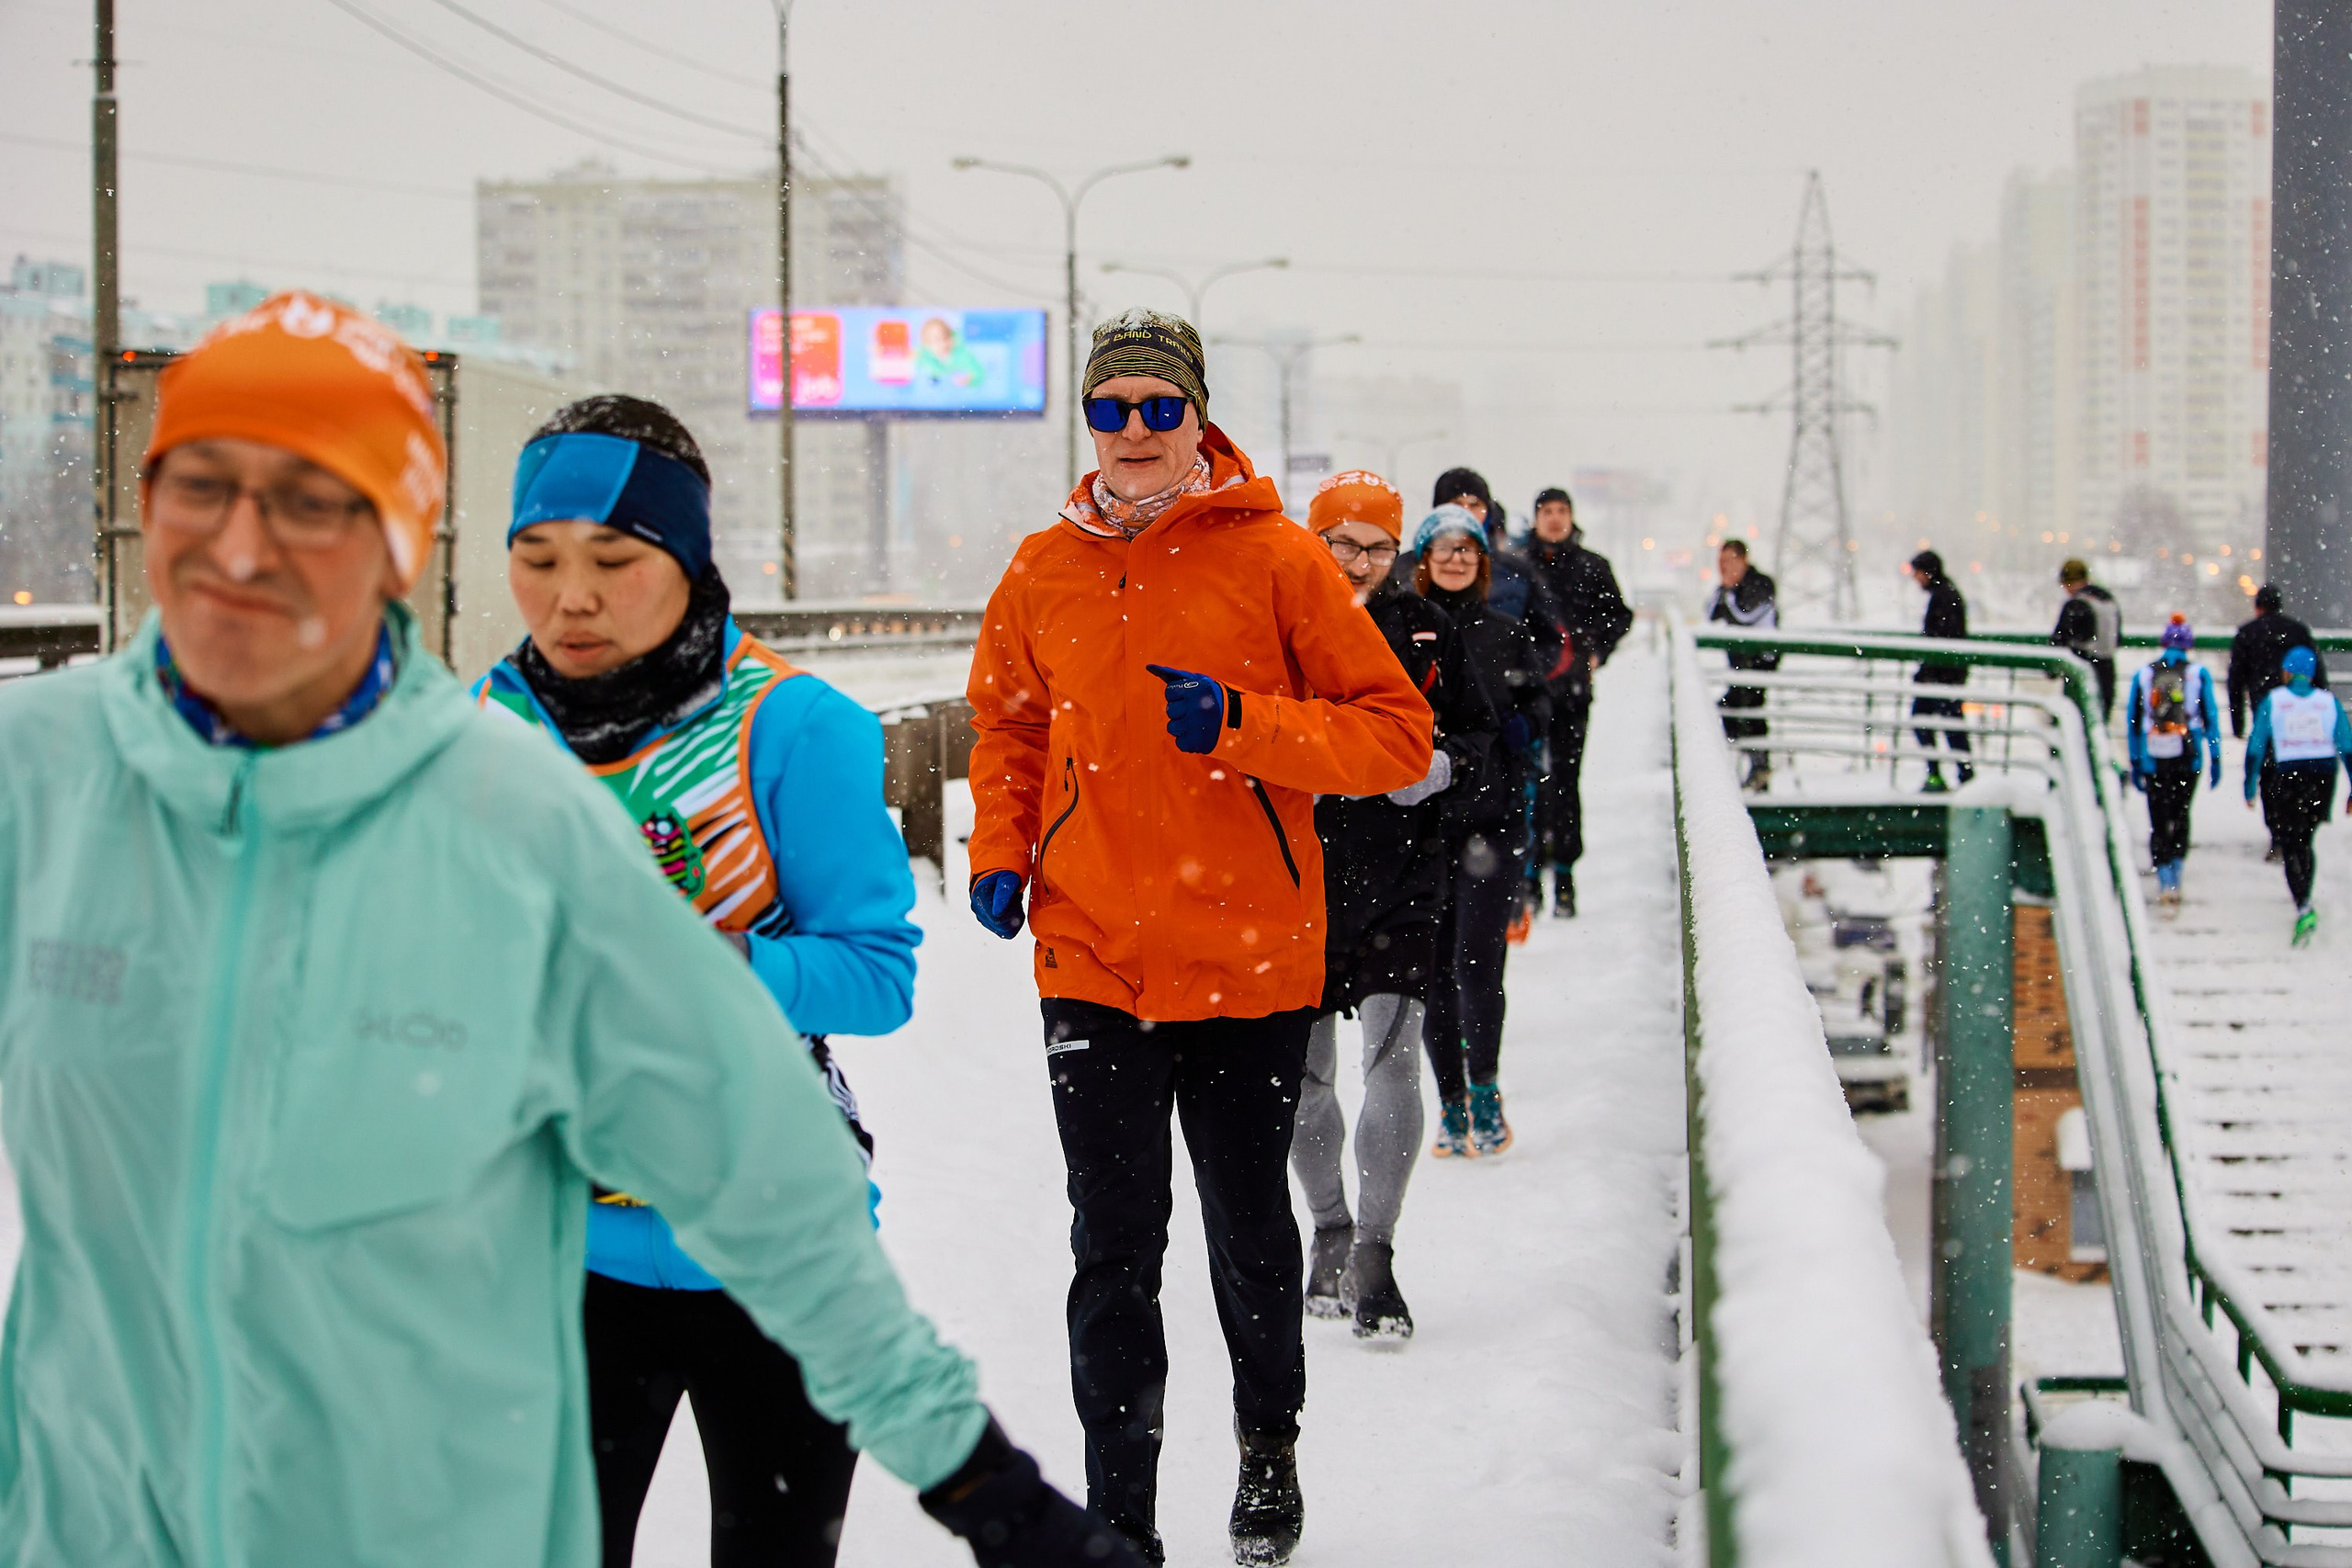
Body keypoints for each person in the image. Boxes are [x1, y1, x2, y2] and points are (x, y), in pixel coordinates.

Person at [0, 293, 1134, 1568]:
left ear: (393, 544)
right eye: (197, 485)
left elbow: (773, 1187)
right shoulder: (37, 776)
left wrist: (987, 1486)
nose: (240, 543)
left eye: (310, 499)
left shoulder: (499, 804)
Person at [964, 309, 1432, 1567]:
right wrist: (1003, 853)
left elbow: (1393, 734)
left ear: (1196, 416)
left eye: (1155, 408)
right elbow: (1007, 726)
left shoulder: (1281, 559)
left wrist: (1240, 722)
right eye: (1107, 407)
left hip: (1248, 959)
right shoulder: (1039, 567)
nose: (1130, 431)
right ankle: (1123, 1514)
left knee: (1246, 1230)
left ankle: (1267, 1445)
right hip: (1091, 959)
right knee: (1111, 1246)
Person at [471, 395, 921, 1567]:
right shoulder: (488, 726)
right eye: (536, 558)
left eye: (613, 560)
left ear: (682, 559)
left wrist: (708, 962)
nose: (570, 596)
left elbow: (876, 977)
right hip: (563, 1254)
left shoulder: (793, 725)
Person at [1292, 471, 1498, 1342]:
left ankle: (1376, 1247)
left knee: (1393, 1060)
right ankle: (1329, 1225)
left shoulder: (1431, 631)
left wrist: (1442, 769)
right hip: (1293, 880)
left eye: (1378, 546)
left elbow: (1486, 738)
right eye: (1343, 544)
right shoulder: (1275, 629)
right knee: (1303, 1081)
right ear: (1315, 542)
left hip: (1402, 876)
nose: (1360, 562)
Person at [1410, 504, 1551, 1160]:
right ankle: (1452, 1102)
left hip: (1491, 820)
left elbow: (1539, 702)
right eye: (1446, 549)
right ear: (1424, 561)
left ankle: (1487, 1088)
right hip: (1425, 823)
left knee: (1479, 962)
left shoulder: (1504, 630)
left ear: (1482, 561)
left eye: (1468, 549)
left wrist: (1521, 730)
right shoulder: (1407, 631)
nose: (1458, 559)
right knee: (1433, 970)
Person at [1519, 485, 1632, 915]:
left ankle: (1564, 873)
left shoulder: (1591, 567)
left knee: (1565, 782)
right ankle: (1530, 873)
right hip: (1526, 692)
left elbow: (1620, 616)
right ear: (1535, 517)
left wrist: (1598, 650)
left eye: (1561, 510)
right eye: (1546, 510)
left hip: (1572, 693)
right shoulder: (1518, 566)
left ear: (1571, 516)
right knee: (1527, 781)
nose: (1554, 518)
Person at [2243, 645, 2352, 946]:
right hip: (2323, 776)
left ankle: (2303, 904)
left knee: (2290, 841)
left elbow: (2256, 747)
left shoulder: (2274, 701)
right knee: (2307, 839)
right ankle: (2306, 897)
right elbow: (2348, 746)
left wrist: (2249, 784)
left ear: (2288, 672)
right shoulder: (2328, 702)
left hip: (2288, 774)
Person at [2127, 615, 2223, 914]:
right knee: (2181, 813)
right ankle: (2177, 876)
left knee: (2158, 816)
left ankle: (2164, 876)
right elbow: (2211, 718)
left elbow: (2133, 720)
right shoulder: (2198, 675)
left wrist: (2135, 760)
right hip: (2187, 754)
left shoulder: (2143, 675)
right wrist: (2216, 757)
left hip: (2154, 755)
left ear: (2163, 643)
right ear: (2189, 645)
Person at [2230, 584, 2334, 860]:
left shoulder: (2247, 634)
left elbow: (2235, 681)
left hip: (2267, 714)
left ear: (2258, 606)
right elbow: (2318, 674)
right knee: (2297, 771)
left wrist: (2237, 720)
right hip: (2301, 716)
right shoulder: (2298, 632)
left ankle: (2277, 832)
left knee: (2270, 773)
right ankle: (2297, 829)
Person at [1706, 539, 1779, 792]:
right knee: (1732, 709)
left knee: (1750, 707)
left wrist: (1728, 594)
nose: (1724, 567)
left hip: (1760, 663)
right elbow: (1710, 614)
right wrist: (1725, 593)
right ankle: (1756, 766)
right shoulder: (1730, 589)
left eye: (1729, 561)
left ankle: (1759, 768)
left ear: (1743, 559)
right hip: (1740, 665)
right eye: (1721, 562)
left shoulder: (1761, 584)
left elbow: (1746, 616)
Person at [1907, 549, 1974, 792]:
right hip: (1946, 675)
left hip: (1940, 676)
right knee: (1951, 725)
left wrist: (1927, 670)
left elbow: (1940, 639)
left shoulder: (1942, 597)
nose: (1915, 578)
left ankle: (1939, 774)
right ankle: (1963, 774)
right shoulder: (1948, 593)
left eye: (1917, 572)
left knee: (1928, 721)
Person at [2049, 558, 2122, 723]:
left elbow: (2060, 638)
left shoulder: (2076, 605)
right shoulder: (2107, 600)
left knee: (2072, 724)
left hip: (2083, 670)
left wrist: (2051, 670)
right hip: (2107, 669)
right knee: (2098, 723)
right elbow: (2117, 638)